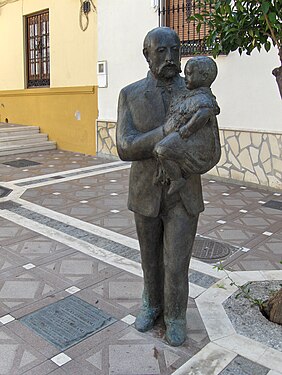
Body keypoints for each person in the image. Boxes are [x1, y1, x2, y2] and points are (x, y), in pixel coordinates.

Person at [117, 27, 217, 346]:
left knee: (176, 264)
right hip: (145, 192)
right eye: (161, 51)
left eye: (175, 50)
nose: (170, 57)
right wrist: (164, 131)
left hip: (184, 192)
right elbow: (125, 147)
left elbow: (211, 146)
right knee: (150, 260)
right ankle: (152, 305)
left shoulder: (195, 91)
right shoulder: (129, 94)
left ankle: (176, 315)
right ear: (147, 54)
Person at [154, 56, 221, 195]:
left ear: (204, 77)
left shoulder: (204, 98)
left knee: (162, 149)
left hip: (195, 143)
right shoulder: (191, 95)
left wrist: (187, 130)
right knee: (160, 150)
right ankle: (167, 173)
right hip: (185, 139)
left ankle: (176, 179)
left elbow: (202, 115)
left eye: (189, 74)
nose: (185, 77)